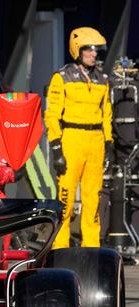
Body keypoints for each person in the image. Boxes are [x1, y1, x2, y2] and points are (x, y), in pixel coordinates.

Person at [45, 27, 113, 249]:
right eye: (90, 49)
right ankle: (60, 248)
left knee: (93, 200)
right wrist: (56, 148)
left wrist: (109, 144)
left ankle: (92, 249)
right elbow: (52, 115)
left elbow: (107, 115)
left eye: (96, 50)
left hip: (96, 141)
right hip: (71, 139)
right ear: (78, 50)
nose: (95, 54)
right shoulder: (62, 77)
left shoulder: (103, 80)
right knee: (65, 201)